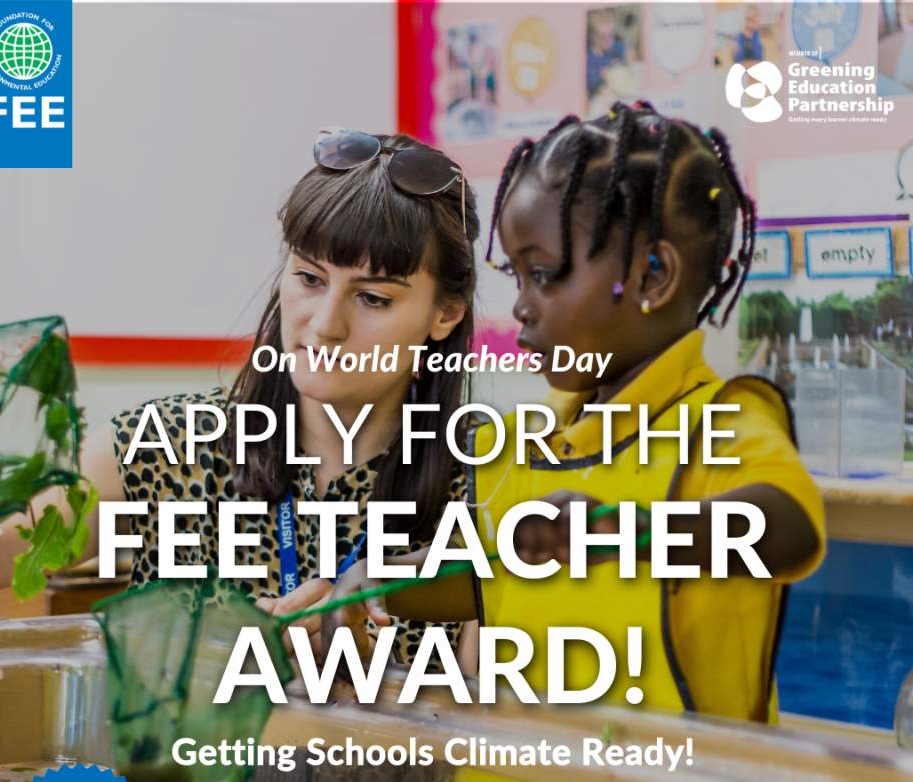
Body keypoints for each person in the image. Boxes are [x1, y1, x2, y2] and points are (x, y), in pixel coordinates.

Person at [327, 104, 826, 723]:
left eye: (542, 275)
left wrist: (624, 530)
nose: (521, 307)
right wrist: (378, 581)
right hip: (517, 776)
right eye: (517, 278)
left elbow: (787, 527)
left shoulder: (719, 421)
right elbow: (489, 573)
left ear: (653, 276)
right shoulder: (531, 440)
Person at [0, 129, 478, 666]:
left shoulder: (487, 487)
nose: (325, 324)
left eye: (373, 298)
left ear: (446, 312)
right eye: (309, 278)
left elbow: (502, 711)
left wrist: (369, 678)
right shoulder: (163, 446)